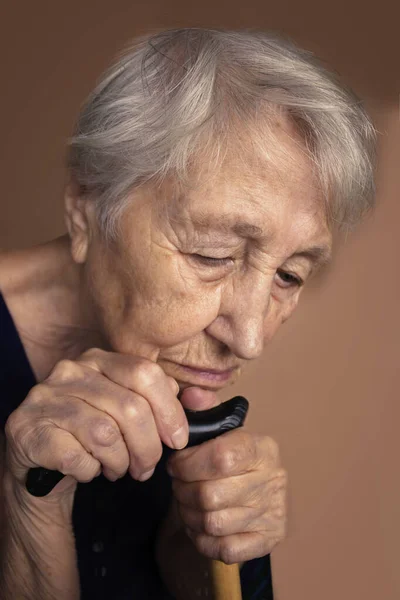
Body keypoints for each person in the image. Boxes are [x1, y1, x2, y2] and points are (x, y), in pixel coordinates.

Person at [0, 28, 376, 600]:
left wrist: (191, 547)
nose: (249, 339)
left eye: (289, 274)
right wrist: (30, 515)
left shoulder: (177, 366)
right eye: (212, 255)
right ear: (85, 205)